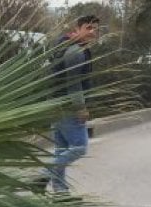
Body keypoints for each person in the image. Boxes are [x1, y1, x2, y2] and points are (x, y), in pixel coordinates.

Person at [42, 15, 100, 196]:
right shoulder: (75, 51)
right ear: (78, 29)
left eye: (96, 29)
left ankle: (60, 193)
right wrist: (80, 107)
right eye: (89, 28)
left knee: (61, 150)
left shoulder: (65, 47)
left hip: (54, 104)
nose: (93, 32)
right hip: (67, 106)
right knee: (79, 147)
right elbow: (73, 83)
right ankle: (42, 175)